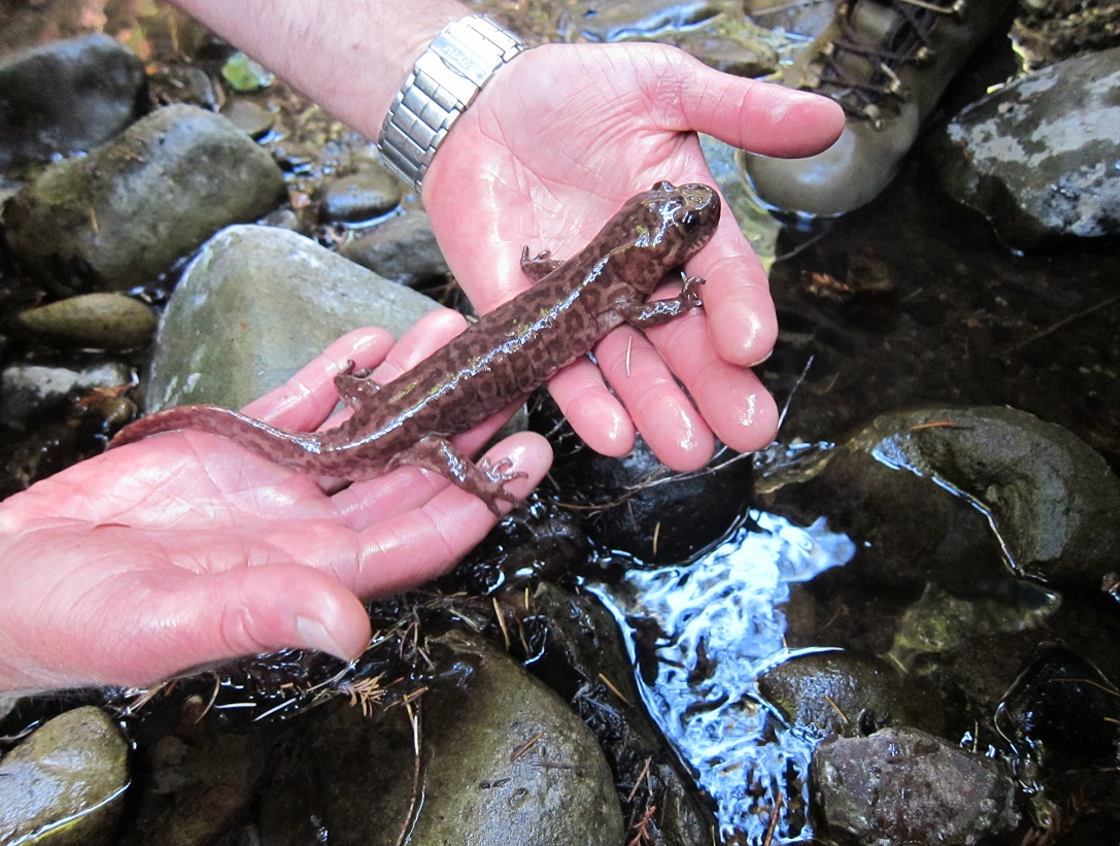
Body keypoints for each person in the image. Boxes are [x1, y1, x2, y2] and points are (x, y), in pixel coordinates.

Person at [0, 0, 844, 694]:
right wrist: (474, 474)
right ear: (641, 247)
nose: (692, 212)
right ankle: (437, 455)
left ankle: (336, 407)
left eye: (688, 217)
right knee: (435, 444)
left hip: (392, 409)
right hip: (405, 432)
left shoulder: (600, 267)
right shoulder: (623, 290)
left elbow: (552, 267)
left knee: (403, 408)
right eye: (680, 212)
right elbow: (634, 309)